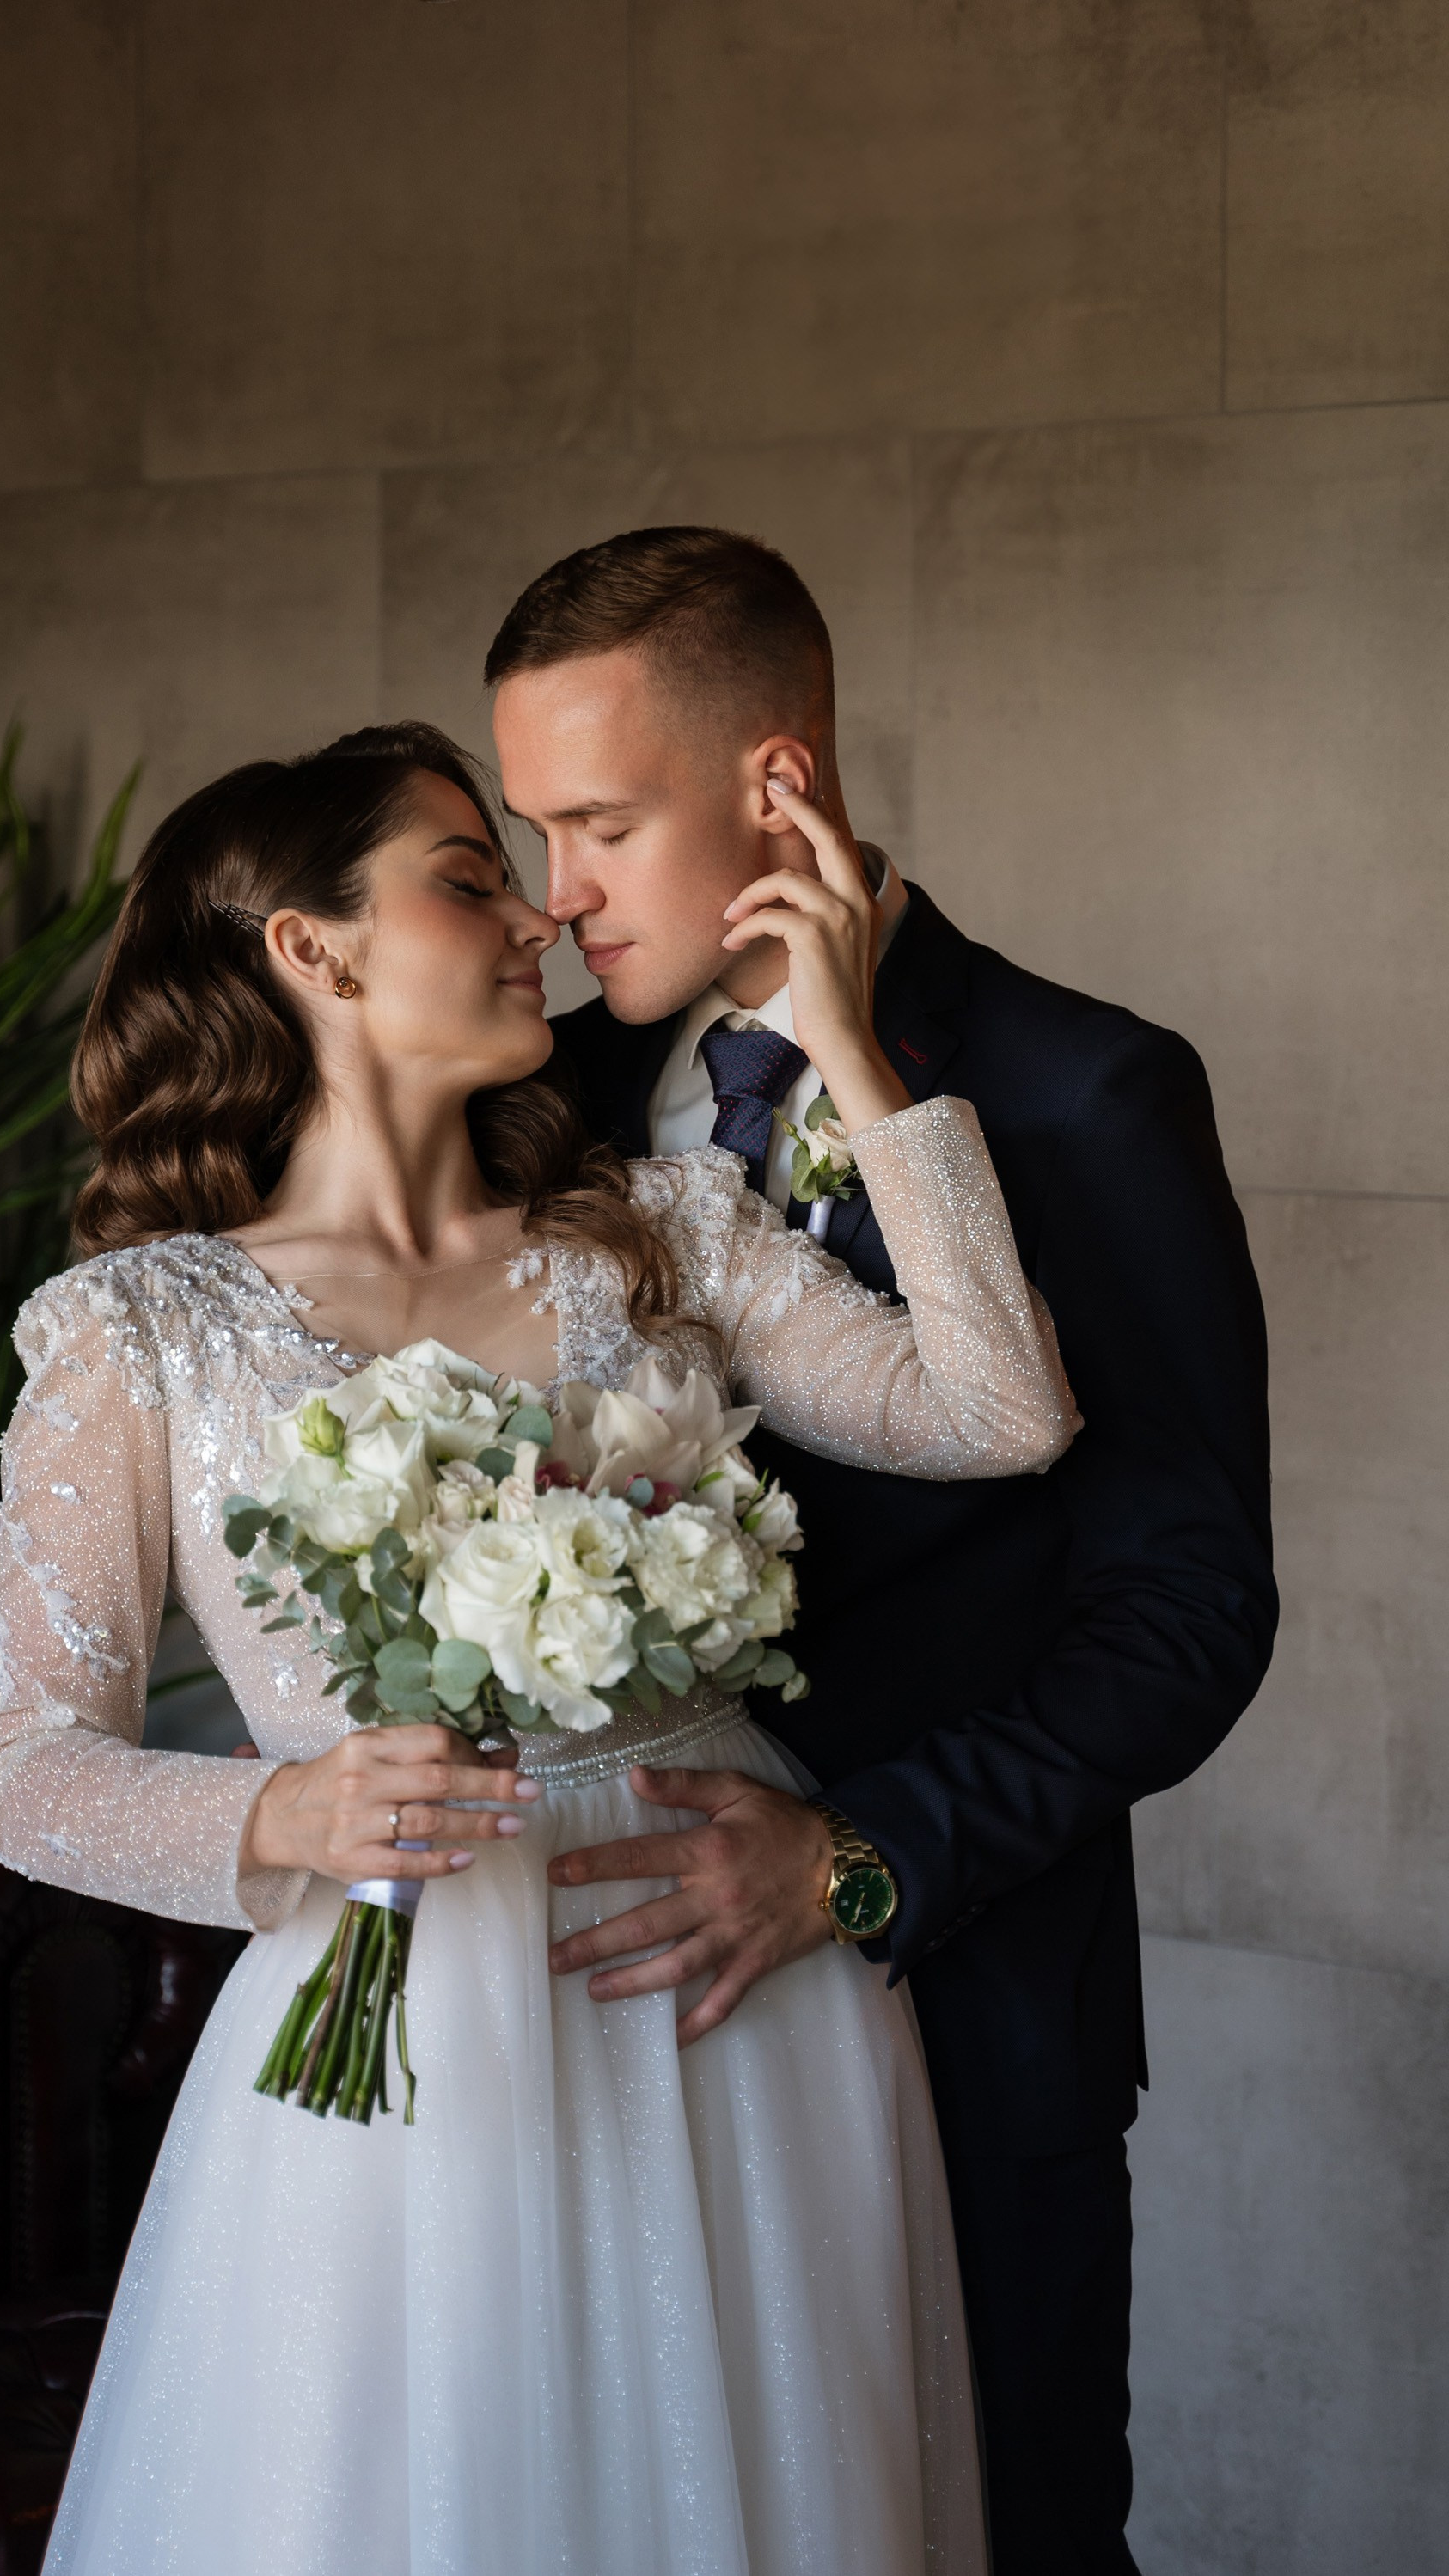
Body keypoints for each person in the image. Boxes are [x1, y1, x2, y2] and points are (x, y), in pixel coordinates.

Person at [0, 719, 1080, 2576]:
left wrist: (852, 1053)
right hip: (410, 2038)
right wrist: (295, 1810)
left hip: (739, 1987)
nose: (539, 923)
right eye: (468, 878)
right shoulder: (133, 1331)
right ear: (311, 952)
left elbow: (1001, 1412)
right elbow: (26, 1768)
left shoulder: (654, 1235)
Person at [490, 526, 1278, 2576]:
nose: (552, 896)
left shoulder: (1079, 1089)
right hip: (614, 2016)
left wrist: (855, 1852)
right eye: (528, 830)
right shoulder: (549, 1105)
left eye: (596, 823)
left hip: (963, 1988)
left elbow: (1189, 1609)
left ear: (777, 788)